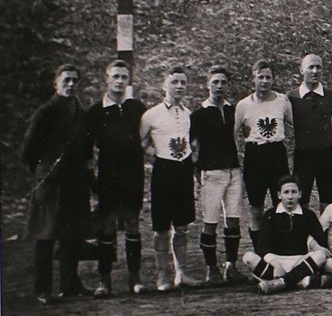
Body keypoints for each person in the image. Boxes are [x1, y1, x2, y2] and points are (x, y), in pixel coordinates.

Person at [21, 64, 93, 303]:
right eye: (66, 80)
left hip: (75, 183)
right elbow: (27, 150)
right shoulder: (46, 112)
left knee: (72, 235)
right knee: (46, 236)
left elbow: (85, 149)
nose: (71, 84)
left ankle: (70, 284)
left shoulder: (82, 112)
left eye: (74, 80)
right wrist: (43, 171)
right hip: (50, 183)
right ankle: (42, 290)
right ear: (56, 83)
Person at [85, 60, 147, 297]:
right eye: (116, 76)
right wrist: (92, 181)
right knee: (107, 227)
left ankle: (135, 278)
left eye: (124, 77)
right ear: (107, 79)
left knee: (132, 224)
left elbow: (148, 137)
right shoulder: (95, 112)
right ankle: (105, 280)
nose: (120, 81)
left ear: (128, 80)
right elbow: (86, 150)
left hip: (133, 175)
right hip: (108, 176)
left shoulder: (136, 108)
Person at [140, 65, 200, 290]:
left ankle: (181, 273)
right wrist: (157, 154)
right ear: (164, 85)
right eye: (175, 82)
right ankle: (162, 275)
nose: (180, 86)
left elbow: (194, 141)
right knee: (161, 227)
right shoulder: (151, 114)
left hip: (183, 171)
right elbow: (141, 142)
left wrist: (192, 155)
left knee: (182, 226)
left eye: (183, 82)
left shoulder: (188, 114)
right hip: (163, 171)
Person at [190, 65, 248, 286]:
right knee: (210, 221)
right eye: (215, 82)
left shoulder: (234, 110)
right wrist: (197, 175)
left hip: (233, 170)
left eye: (223, 82)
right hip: (211, 173)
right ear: (208, 84)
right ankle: (211, 269)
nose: (219, 86)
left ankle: (231, 267)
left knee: (233, 220)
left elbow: (245, 132)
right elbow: (190, 147)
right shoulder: (198, 114)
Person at [242, 175, 332, 294]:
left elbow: (321, 241)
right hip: (276, 261)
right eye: (286, 192)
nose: (290, 196)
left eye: (293, 192)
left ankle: (280, 283)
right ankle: (299, 281)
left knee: (321, 255)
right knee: (248, 257)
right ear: (279, 195)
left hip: (300, 261)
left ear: (300, 194)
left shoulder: (308, 215)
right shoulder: (270, 215)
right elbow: (262, 246)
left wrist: (314, 246)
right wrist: (276, 264)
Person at [235, 60, 294, 252]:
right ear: (253, 79)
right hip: (255, 155)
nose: (265, 81)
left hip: (277, 153)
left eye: (268, 77)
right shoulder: (243, 105)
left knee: (282, 204)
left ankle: (282, 248)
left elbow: (295, 124)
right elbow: (233, 132)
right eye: (261, 77)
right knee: (256, 208)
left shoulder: (282, 100)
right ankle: (260, 251)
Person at [288, 53, 332, 211]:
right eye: (310, 67)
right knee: (301, 201)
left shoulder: (330, 96)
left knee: (327, 201)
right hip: (303, 154)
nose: (315, 71)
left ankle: (325, 235)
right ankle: (302, 235)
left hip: (327, 154)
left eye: (319, 67)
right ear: (301, 70)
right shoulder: (291, 97)